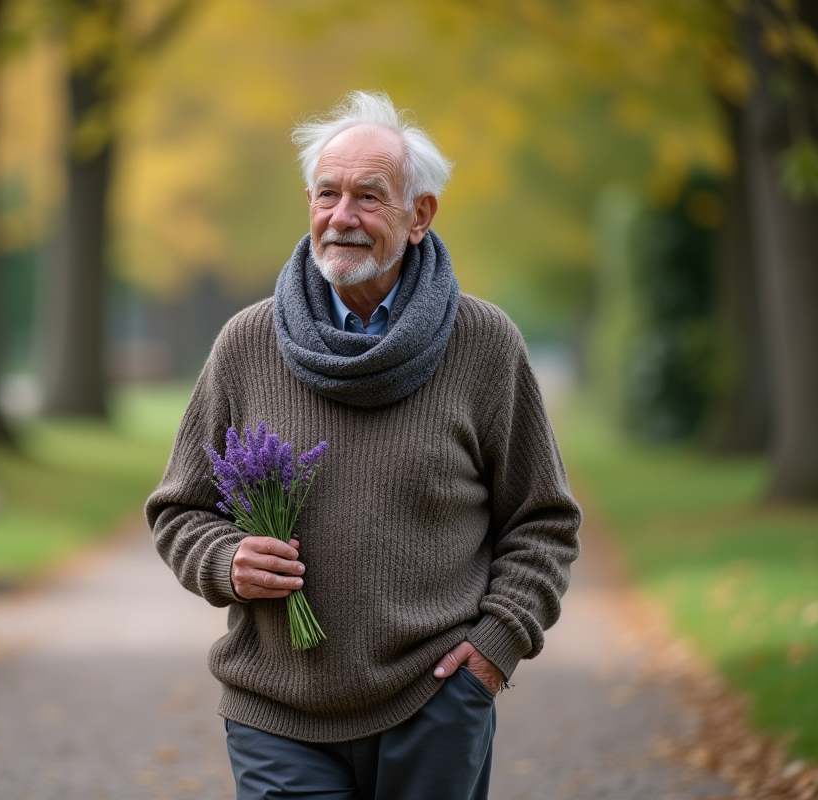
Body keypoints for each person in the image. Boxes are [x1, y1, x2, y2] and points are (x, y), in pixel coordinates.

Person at [145, 90, 582, 800]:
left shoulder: (485, 344)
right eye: (327, 193)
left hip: (435, 701)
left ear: (420, 216)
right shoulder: (246, 344)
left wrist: (495, 650)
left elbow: (543, 520)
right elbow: (179, 511)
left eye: (368, 198)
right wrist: (226, 560)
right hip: (275, 708)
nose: (341, 217)